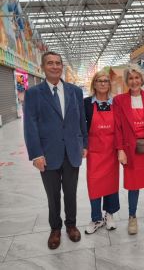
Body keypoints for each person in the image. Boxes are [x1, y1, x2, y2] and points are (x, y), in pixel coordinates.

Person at [23, 51, 88, 250]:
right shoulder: (34, 93)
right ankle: (55, 229)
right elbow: (30, 124)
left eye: (58, 63)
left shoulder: (75, 91)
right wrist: (36, 154)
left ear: (62, 67)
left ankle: (71, 225)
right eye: (50, 63)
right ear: (43, 67)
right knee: (53, 195)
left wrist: (84, 144)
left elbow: (81, 120)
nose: (55, 66)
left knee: (71, 192)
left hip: (72, 151)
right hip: (47, 153)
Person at [114, 63, 144, 235]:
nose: (134, 81)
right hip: (130, 150)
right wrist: (120, 150)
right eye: (131, 78)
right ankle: (132, 216)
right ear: (126, 80)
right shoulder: (119, 100)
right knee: (133, 186)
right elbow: (118, 127)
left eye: (137, 77)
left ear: (142, 79)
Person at [84, 70, 120, 234]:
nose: (103, 83)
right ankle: (96, 218)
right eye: (99, 80)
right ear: (94, 84)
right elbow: (80, 127)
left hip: (111, 152)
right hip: (94, 152)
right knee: (94, 184)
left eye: (106, 80)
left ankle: (109, 215)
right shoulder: (85, 103)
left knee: (111, 184)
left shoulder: (116, 103)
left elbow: (120, 127)